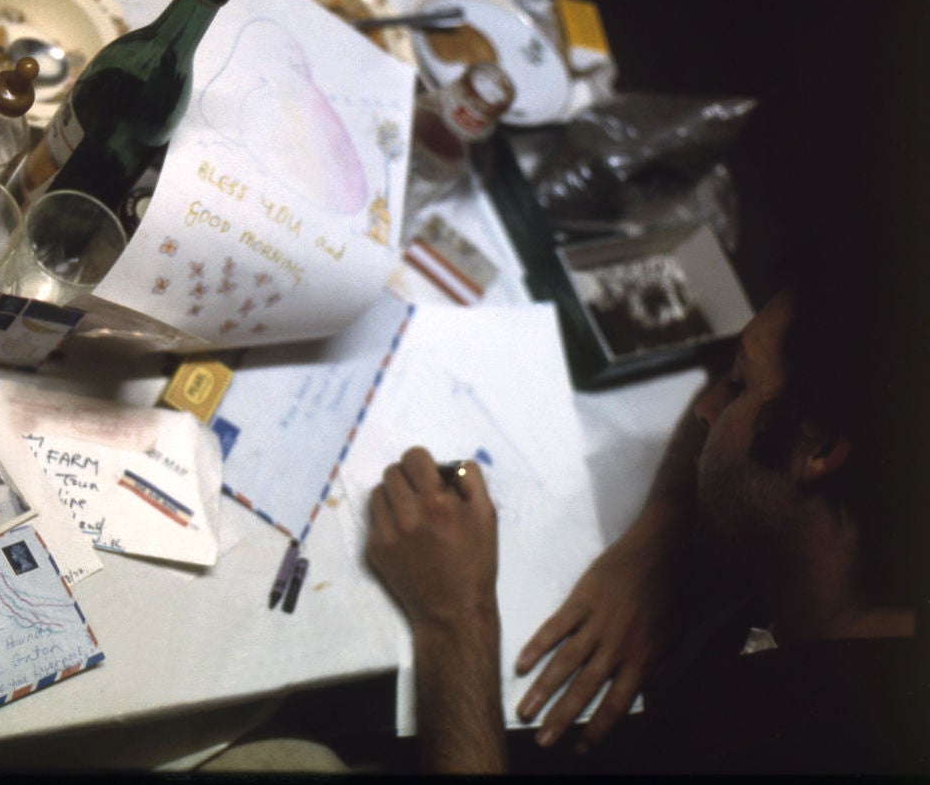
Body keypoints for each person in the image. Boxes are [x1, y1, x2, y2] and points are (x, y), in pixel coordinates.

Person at [366, 216, 927, 774]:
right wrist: (664, 535)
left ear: (822, 446)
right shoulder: (850, 595)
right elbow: (724, 402)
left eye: (739, 386)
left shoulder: (806, 745)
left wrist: (453, 621)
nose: (707, 410)